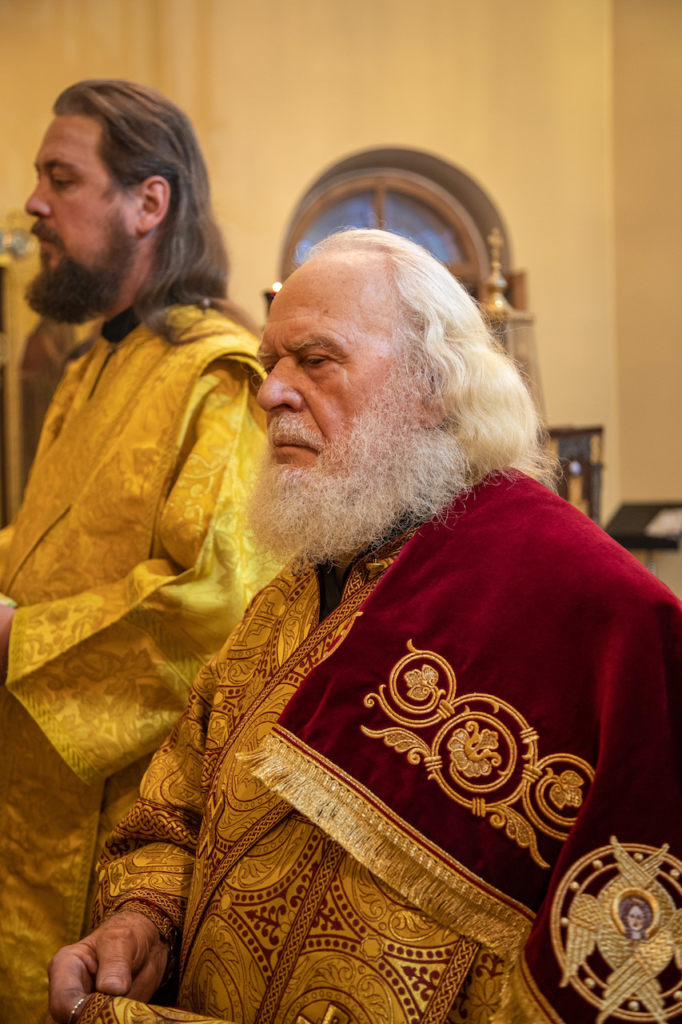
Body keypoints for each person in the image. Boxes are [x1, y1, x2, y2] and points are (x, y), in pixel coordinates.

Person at [47, 230, 682, 1024]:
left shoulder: (589, 610)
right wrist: (143, 921)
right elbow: (175, 812)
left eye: (315, 360)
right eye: (271, 362)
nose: (271, 393)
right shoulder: (290, 593)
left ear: (434, 386)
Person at [0, 79, 271, 1023]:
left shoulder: (219, 378)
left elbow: (216, 607)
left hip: (128, 840)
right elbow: (42, 547)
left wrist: (19, 639)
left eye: (61, 177)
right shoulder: (89, 369)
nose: (34, 202)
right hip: (31, 801)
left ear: (149, 202)